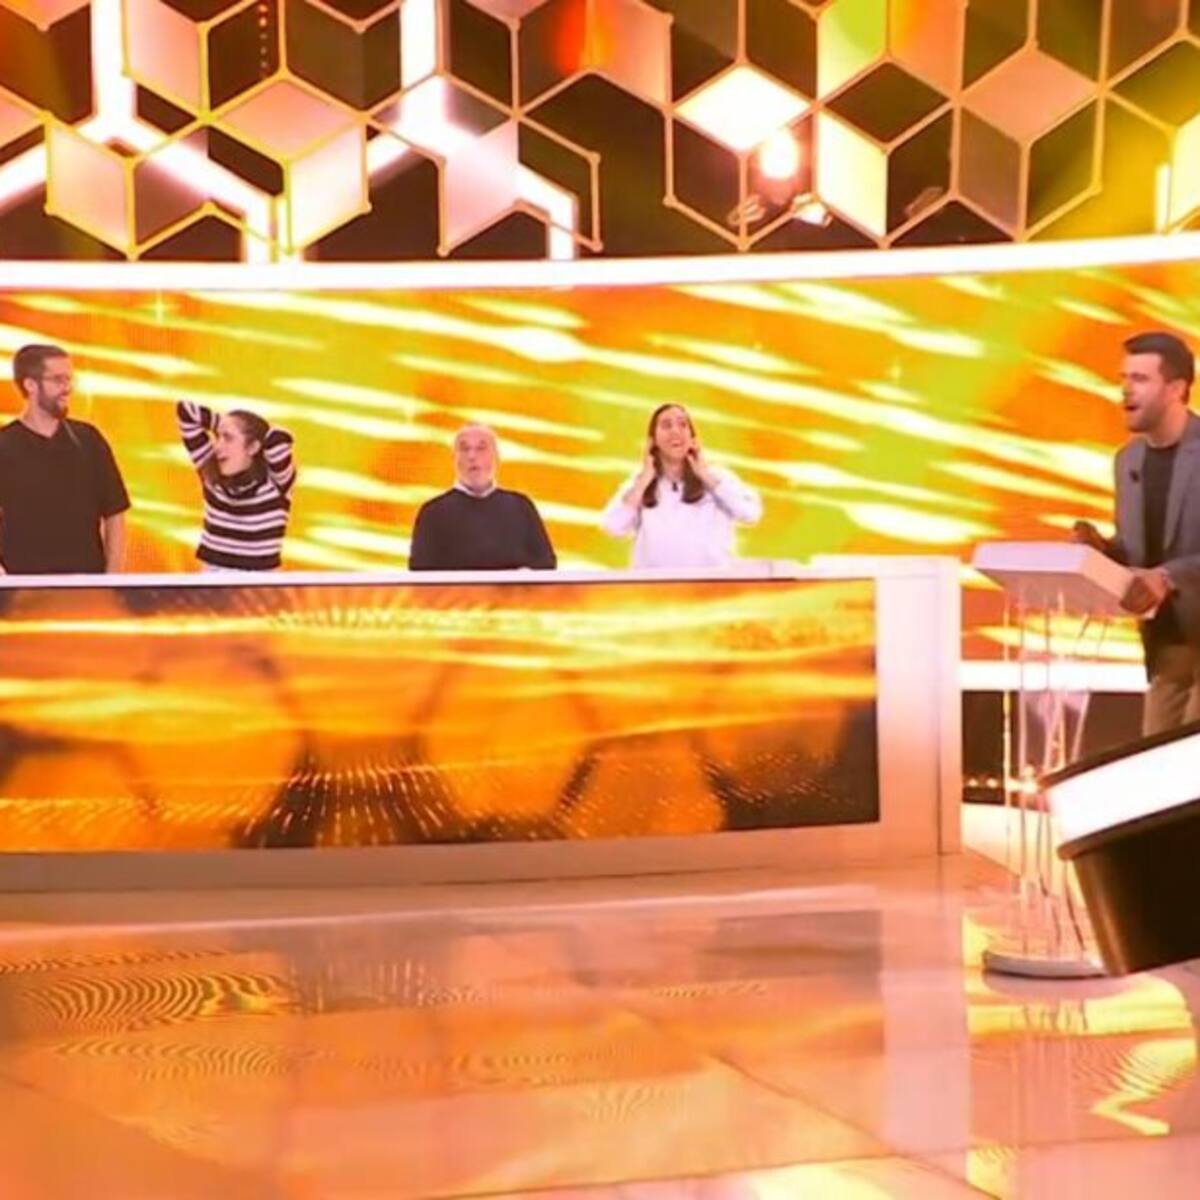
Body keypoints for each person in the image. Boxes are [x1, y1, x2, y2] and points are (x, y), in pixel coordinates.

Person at [1074, 331, 1200, 735]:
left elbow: (1161, 570)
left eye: (1140, 378)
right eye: (1123, 378)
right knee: (1157, 764)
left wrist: (1167, 577)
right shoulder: (1128, 460)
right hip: (1167, 647)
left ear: (1176, 389)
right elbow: (1137, 552)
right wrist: (1100, 551)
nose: (1126, 389)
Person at [0, 344, 129, 575]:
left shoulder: (89, 440)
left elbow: (115, 514)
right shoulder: (5, 445)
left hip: (86, 587)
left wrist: (112, 581)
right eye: (58, 380)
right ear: (30, 385)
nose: (67, 388)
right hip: (23, 589)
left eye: (69, 379)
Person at [601, 403, 762, 568]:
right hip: (655, 583)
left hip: (709, 582)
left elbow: (750, 514)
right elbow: (613, 526)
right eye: (666, 425)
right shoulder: (640, 483)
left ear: (692, 438)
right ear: (653, 441)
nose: (675, 431)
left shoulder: (717, 478)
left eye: (683, 424)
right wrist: (643, 482)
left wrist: (705, 474)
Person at [408, 424, 556, 571]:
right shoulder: (433, 513)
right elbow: (420, 573)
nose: (472, 456)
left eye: (481, 448)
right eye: (464, 449)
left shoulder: (521, 507)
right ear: (454, 459)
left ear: (496, 457)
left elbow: (546, 564)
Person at [177, 400, 295, 571]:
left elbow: (278, 440)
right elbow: (186, 412)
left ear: (253, 447)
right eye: (218, 437)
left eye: (228, 438)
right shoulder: (210, 473)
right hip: (213, 583)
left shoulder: (277, 484)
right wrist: (223, 424)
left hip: (260, 584)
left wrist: (250, 430)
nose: (218, 447)